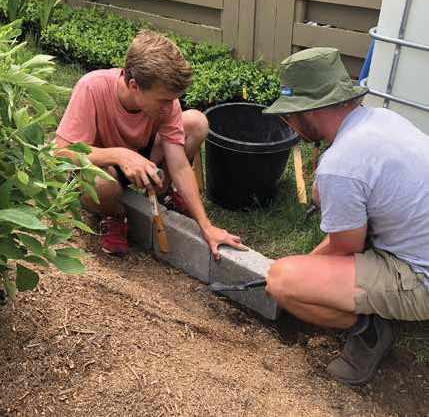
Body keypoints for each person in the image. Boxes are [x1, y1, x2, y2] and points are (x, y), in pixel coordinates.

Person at [264, 47, 429, 386]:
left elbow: (344, 247)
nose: (290, 123)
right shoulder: (383, 119)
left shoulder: (341, 164)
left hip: (420, 277)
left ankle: (369, 331)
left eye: (290, 115)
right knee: (326, 197)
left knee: (282, 280)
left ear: (309, 110)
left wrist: (302, 271)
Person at [55, 29, 246, 258]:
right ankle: (114, 215)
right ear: (134, 85)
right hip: (104, 166)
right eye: (163, 100)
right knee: (100, 183)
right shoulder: (92, 87)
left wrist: (207, 227)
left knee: (196, 122)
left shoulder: (167, 103)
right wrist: (120, 155)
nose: (169, 107)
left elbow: (180, 165)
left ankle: (162, 191)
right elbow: (62, 152)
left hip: (144, 155)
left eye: (173, 100)